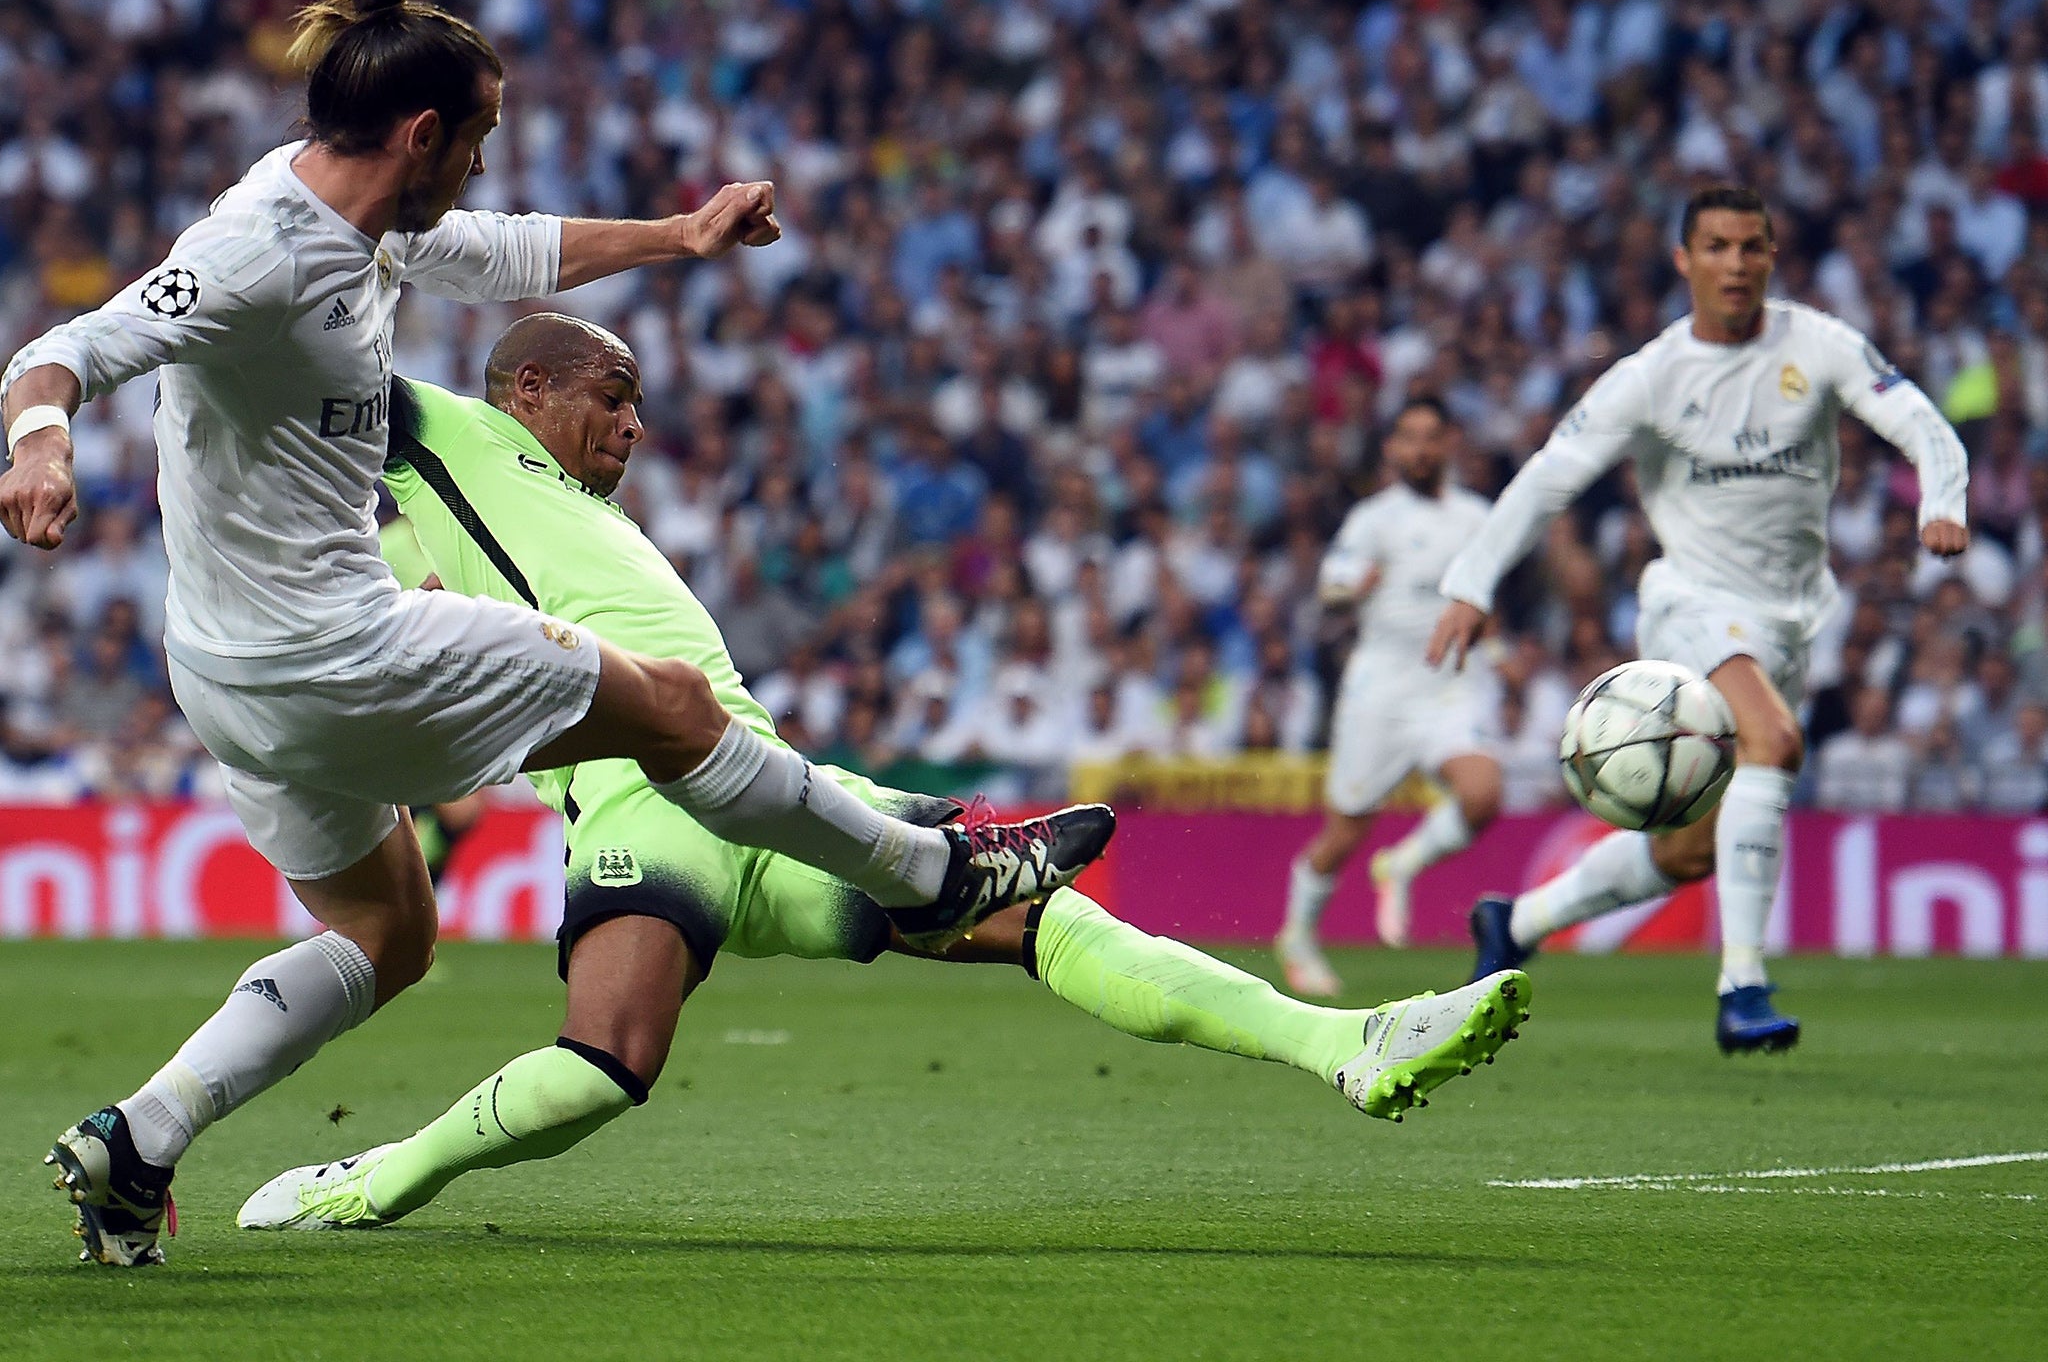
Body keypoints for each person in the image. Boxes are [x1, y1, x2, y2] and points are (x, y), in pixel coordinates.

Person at [2, 0, 1108, 1268]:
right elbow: (71, 345)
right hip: (338, 653)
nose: (482, 162)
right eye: (476, 138)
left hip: (230, 678)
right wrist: (39, 445)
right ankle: (934, 874)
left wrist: (678, 235)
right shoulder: (258, 248)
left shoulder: (358, 216)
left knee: (386, 935)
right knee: (678, 709)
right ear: (421, 134)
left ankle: (139, 1142)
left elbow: (504, 250)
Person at [232, 315, 1534, 1231]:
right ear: (524, 391)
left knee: (1041, 919)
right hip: (647, 808)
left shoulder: (586, 518)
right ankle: (380, 1179)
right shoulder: (456, 437)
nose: (631, 421)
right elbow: (318, 361)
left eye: (638, 404)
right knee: (609, 1062)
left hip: (780, 790)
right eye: (607, 396)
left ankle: (1345, 1042)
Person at [1428, 184, 1970, 1054]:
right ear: (1685, 260)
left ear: (1771, 257)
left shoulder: (1819, 345)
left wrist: (1943, 498)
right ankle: (1743, 987)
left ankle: (1514, 920)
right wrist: (1472, 580)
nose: (1736, 264)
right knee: (1776, 742)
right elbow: (1549, 475)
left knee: (1689, 852)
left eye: (1751, 247)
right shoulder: (1652, 376)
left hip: (1791, 618)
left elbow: (1917, 418)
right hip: (1691, 607)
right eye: (1716, 247)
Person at [1273, 397, 1503, 995]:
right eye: (1410, 438)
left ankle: (1402, 864)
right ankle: (1298, 935)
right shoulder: (1373, 518)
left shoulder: (1479, 517)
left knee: (1482, 795)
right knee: (1347, 828)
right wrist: (1351, 587)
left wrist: (1498, 649)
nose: (1421, 449)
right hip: (1383, 684)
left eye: (1432, 436)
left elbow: (1486, 600)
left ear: (1450, 442)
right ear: (1393, 449)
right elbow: (1332, 584)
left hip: (1451, 682)